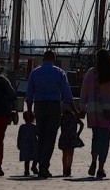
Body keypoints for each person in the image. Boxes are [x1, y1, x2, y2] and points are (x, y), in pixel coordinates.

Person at [26, 50, 74, 178]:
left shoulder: (34, 73)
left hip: (39, 105)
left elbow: (29, 94)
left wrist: (30, 110)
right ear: (54, 59)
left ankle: (40, 164)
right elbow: (67, 94)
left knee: (41, 136)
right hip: (53, 105)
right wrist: (75, 110)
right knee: (50, 137)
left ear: (43, 59)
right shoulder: (59, 72)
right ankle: (44, 166)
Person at [81, 48, 110, 179]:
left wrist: (82, 108)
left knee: (96, 137)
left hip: (93, 111)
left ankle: (93, 160)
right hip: (109, 110)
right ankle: (101, 167)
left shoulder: (91, 73)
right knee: (105, 139)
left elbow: (84, 91)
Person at [58, 109, 85, 177]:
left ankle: (64, 168)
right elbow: (82, 124)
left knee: (64, 154)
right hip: (72, 136)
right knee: (71, 154)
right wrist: (78, 133)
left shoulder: (62, 118)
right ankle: (69, 167)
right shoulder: (74, 117)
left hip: (64, 136)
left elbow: (57, 126)